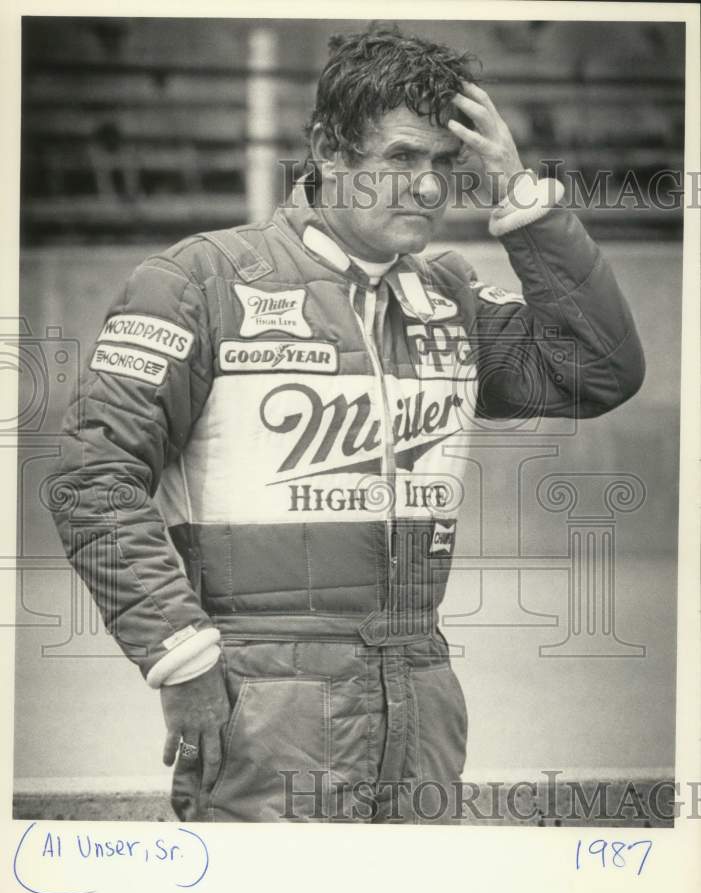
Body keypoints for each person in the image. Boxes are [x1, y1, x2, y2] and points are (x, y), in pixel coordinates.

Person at [51, 27, 645, 823]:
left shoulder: (449, 297)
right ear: (329, 152)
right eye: (401, 158)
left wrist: (518, 195)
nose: (429, 188)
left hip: (421, 693)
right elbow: (92, 478)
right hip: (263, 706)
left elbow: (596, 370)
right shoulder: (197, 282)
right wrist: (179, 656)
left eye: (444, 164)